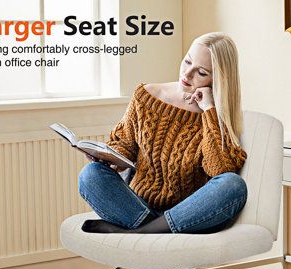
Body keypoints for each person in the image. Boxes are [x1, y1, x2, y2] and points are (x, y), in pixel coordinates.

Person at [79, 32, 247, 234]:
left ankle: (137, 233)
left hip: (190, 213)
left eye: (201, 73)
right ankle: (154, 229)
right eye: (187, 61)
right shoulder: (147, 96)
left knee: (233, 185)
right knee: (90, 174)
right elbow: (123, 144)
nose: (187, 74)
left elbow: (220, 169)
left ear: (218, 79)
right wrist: (107, 158)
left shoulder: (215, 115)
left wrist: (209, 109)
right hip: (137, 206)